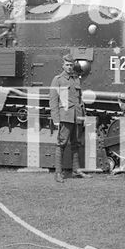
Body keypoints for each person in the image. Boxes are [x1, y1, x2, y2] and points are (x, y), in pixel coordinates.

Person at [49, 54, 90, 183]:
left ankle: (76, 170)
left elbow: (80, 100)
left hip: (76, 116)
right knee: (61, 144)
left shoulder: (76, 79)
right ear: (63, 65)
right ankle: (58, 173)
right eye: (67, 65)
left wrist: (82, 116)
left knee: (76, 144)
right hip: (65, 117)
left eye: (71, 65)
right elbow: (53, 101)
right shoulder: (58, 80)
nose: (69, 67)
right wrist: (56, 119)